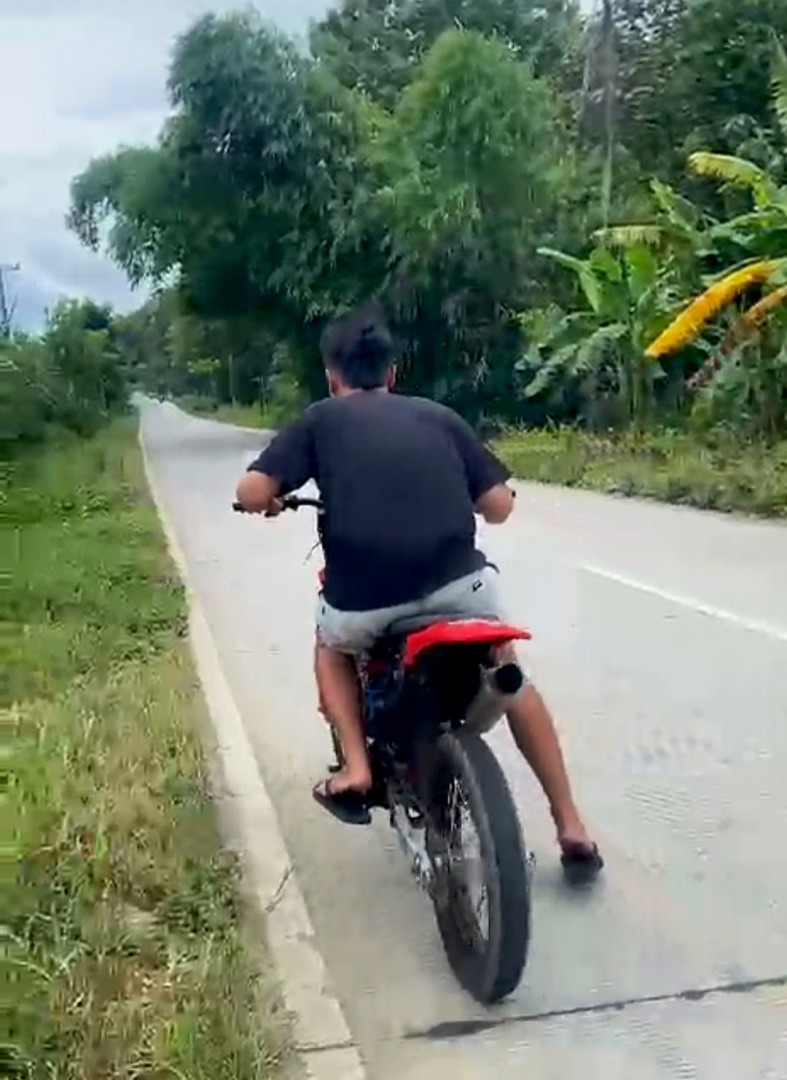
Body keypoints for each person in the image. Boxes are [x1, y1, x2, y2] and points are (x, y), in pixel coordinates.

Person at [235, 300, 603, 881]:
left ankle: (357, 768)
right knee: (508, 671)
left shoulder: (319, 421)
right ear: (392, 373)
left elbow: (251, 491)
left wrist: (273, 500)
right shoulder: (439, 417)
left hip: (363, 605)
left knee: (329, 649)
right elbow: (499, 507)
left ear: (331, 376)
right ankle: (571, 823)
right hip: (463, 590)